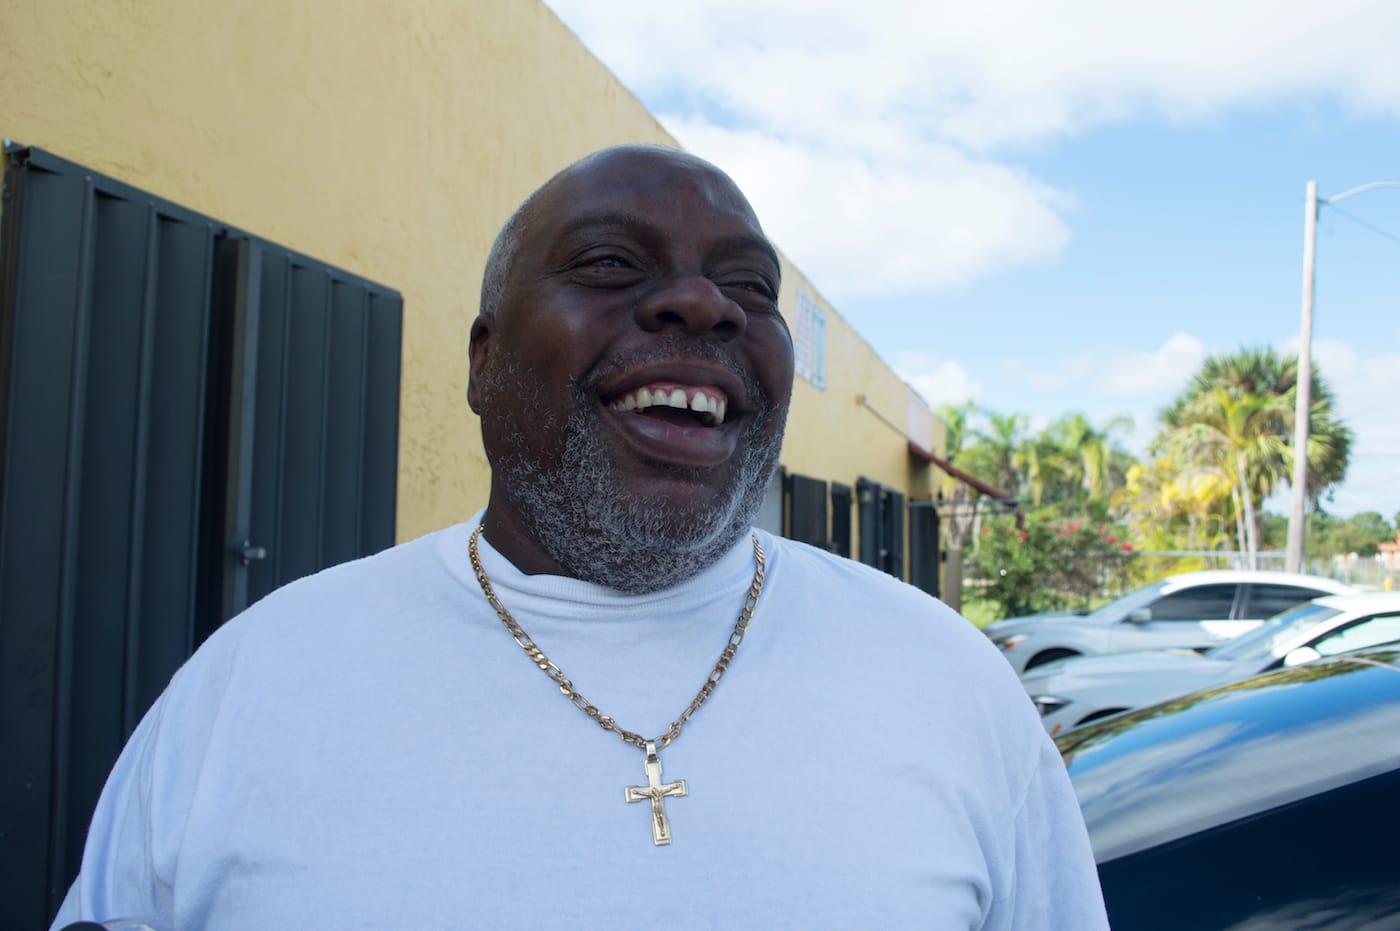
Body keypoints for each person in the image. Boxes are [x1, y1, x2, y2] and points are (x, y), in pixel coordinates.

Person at [52, 145, 1108, 929]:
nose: (703, 304)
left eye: (750, 287)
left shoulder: (951, 686)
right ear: (482, 361)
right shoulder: (253, 685)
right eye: (608, 263)